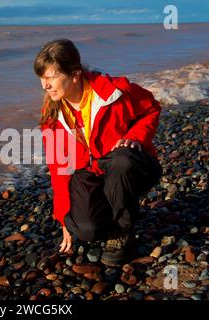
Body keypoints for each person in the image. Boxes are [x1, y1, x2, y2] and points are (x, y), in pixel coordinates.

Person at [34, 39, 163, 266]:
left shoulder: (114, 92)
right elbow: (59, 166)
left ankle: (121, 234)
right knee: (86, 229)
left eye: (51, 77)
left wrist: (134, 138)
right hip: (91, 174)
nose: (45, 85)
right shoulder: (52, 115)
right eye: (42, 78)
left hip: (133, 167)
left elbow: (152, 107)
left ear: (75, 74)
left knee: (121, 161)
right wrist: (64, 218)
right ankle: (111, 214)